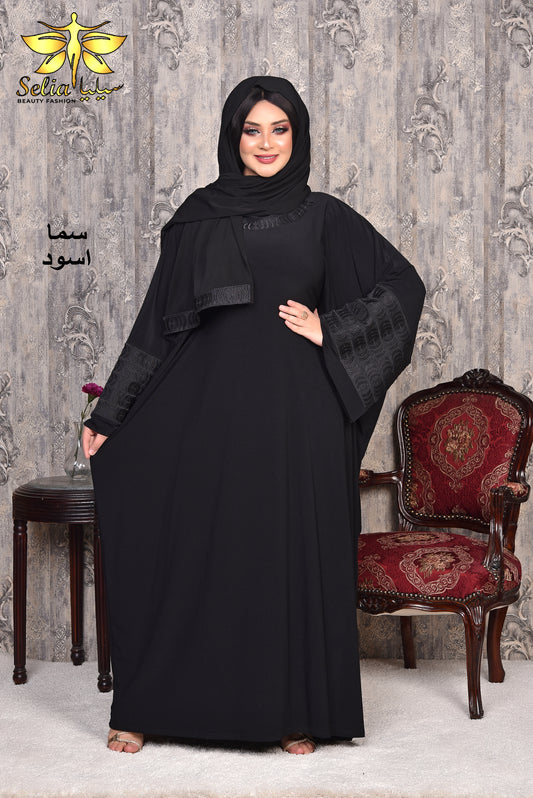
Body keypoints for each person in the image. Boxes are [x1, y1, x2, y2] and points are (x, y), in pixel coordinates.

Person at [83, 75, 425, 756]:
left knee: (284, 556)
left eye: (279, 129)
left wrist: (333, 327)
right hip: (207, 415)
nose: (266, 143)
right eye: (252, 130)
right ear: (232, 137)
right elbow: (154, 327)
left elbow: (403, 286)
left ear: (297, 136)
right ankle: (150, 704)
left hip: (297, 417)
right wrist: (111, 415)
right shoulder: (198, 217)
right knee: (196, 553)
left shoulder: (323, 216)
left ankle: (295, 713)